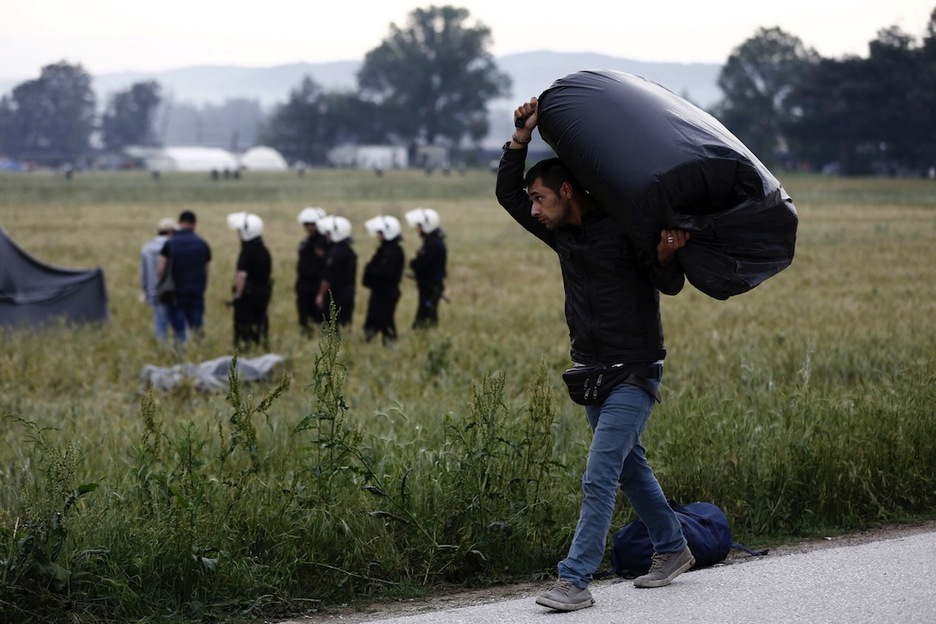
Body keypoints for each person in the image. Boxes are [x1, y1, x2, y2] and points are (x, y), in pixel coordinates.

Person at [495, 97, 694, 612]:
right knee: (629, 469)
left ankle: (574, 580)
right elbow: (506, 195)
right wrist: (521, 138)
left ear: (566, 191)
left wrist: (668, 254)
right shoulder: (561, 235)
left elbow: (666, 283)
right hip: (589, 369)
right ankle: (672, 547)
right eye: (532, 203)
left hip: (635, 367)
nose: (534, 210)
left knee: (600, 472)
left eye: (540, 199)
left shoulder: (626, 226)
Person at [158, 210, 212, 343]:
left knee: (179, 330)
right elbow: (206, 269)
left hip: (176, 293)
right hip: (196, 292)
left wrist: (162, 284)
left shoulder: (170, 243)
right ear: (194, 224)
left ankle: (181, 356)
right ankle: (200, 351)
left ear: (179, 223)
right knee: (197, 326)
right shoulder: (202, 244)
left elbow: (160, 269)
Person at [226, 212, 273, 350]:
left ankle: (246, 350)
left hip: (249, 294)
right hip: (263, 292)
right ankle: (261, 346)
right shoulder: (264, 250)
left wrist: (237, 296)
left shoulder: (247, 252)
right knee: (261, 321)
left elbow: (242, 275)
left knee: (244, 325)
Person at [362, 215, 405, 344]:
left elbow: (384, 273)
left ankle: (378, 344)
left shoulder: (391, 252)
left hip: (385, 293)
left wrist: (370, 271)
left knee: (380, 320)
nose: (377, 235)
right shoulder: (386, 250)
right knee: (385, 321)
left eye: (379, 232)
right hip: (381, 292)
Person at [405, 207, 447, 329]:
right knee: (428, 314)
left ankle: (424, 337)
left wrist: (414, 263)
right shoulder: (434, 242)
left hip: (430, 285)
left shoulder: (432, 244)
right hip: (431, 284)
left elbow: (422, 264)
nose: (416, 228)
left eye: (419, 225)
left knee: (425, 316)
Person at [315, 216, 357, 328]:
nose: (326, 236)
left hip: (335, 295)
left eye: (328, 233)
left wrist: (320, 294)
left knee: (332, 326)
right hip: (348, 293)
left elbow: (328, 277)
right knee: (344, 324)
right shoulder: (349, 251)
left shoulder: (335, 254)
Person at [140, 217, 176, 340]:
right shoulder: (173, 246)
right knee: (179, 324)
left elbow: (143, 273)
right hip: (172, 290)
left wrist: (146, 291)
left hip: (154, 290)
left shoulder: (147, 248)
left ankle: (163, 350)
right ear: (170, 232)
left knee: (160, 324)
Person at [295, 207, 328, 336]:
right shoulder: (306, 241)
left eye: (312, 224)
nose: (309, 227)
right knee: (304, 315)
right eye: (306, 224)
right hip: (303, 284)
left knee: (320, 316)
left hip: (318, 284)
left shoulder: (325, 241)